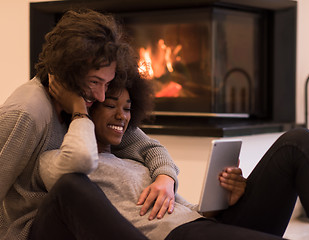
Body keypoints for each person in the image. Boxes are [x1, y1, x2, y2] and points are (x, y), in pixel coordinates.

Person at [38, 69, 309, 240]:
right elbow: (79, 160)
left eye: (127, 108)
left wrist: (221, 205)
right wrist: (78, 110)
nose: (122, 116)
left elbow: (178, 204)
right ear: (88, 105)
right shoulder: (58, 163)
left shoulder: (131, 156)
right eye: (111, 106)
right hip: (178, 236)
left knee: (298, 142)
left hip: (201, 225)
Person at [0, 9, 179, 240]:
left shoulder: (89, 99)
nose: (102, 96)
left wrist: (166, 177)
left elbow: (147, 147)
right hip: (33, 230)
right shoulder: (26, 114)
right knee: (71, 186)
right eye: (95, 82)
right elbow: (81, 162)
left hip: (78, 221)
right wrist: (79, 112)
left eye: (107, 83)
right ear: (67, 71)